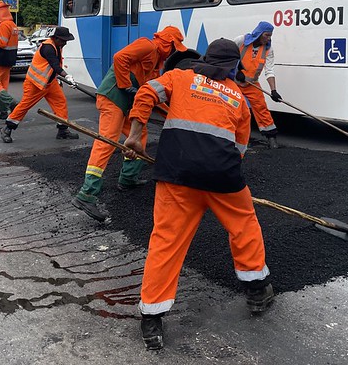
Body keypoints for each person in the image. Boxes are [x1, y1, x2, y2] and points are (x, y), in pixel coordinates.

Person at [123, 39, 273, 351]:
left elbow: (146, 92)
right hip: (222, 177)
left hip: (176, 174)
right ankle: (257, 291)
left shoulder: (179, 77)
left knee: (166, 241)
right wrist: (217, 170)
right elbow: (240, 147)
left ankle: (151, 319)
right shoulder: (238, 97)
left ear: (204, 59)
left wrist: (135, 136)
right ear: (232, 67)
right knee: (244, 226)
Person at [72, 26, 188, 222]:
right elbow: (120, 58)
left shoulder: (156, 64)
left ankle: (128, 178)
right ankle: (87, 194)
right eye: (174, 47)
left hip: (125, 103)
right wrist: (126, 85)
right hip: (112, 97)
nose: (173, 53)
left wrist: (175, 114)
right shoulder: (147, 45)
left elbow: (152, 96)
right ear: (168, 42)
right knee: (107, 140)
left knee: (139, 135)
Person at [0, 26, 80, 143]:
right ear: (56, 38)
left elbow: (55, 65)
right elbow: (54, 65)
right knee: (24, 106)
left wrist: (58, 78)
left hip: (49, 83)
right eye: (63, 40)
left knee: (60, 103)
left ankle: (63, 130)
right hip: (35, 84)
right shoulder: (48, 47)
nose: (65, 43)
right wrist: (67, 76)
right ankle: (7, 128)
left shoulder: (57, 46)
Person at [234, 21, 281, 149]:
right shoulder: (241, 40)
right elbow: (228, 55)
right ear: (259, 33)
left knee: (261, 108)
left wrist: (273, 91)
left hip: (251, 84)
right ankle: (234, 136)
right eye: (266, 35)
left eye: (270, 35)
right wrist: (236, 71)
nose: (269, 38)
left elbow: (269, 71)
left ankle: (271, 137)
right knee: (235, 107)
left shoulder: (268, 49)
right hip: (234, 82)